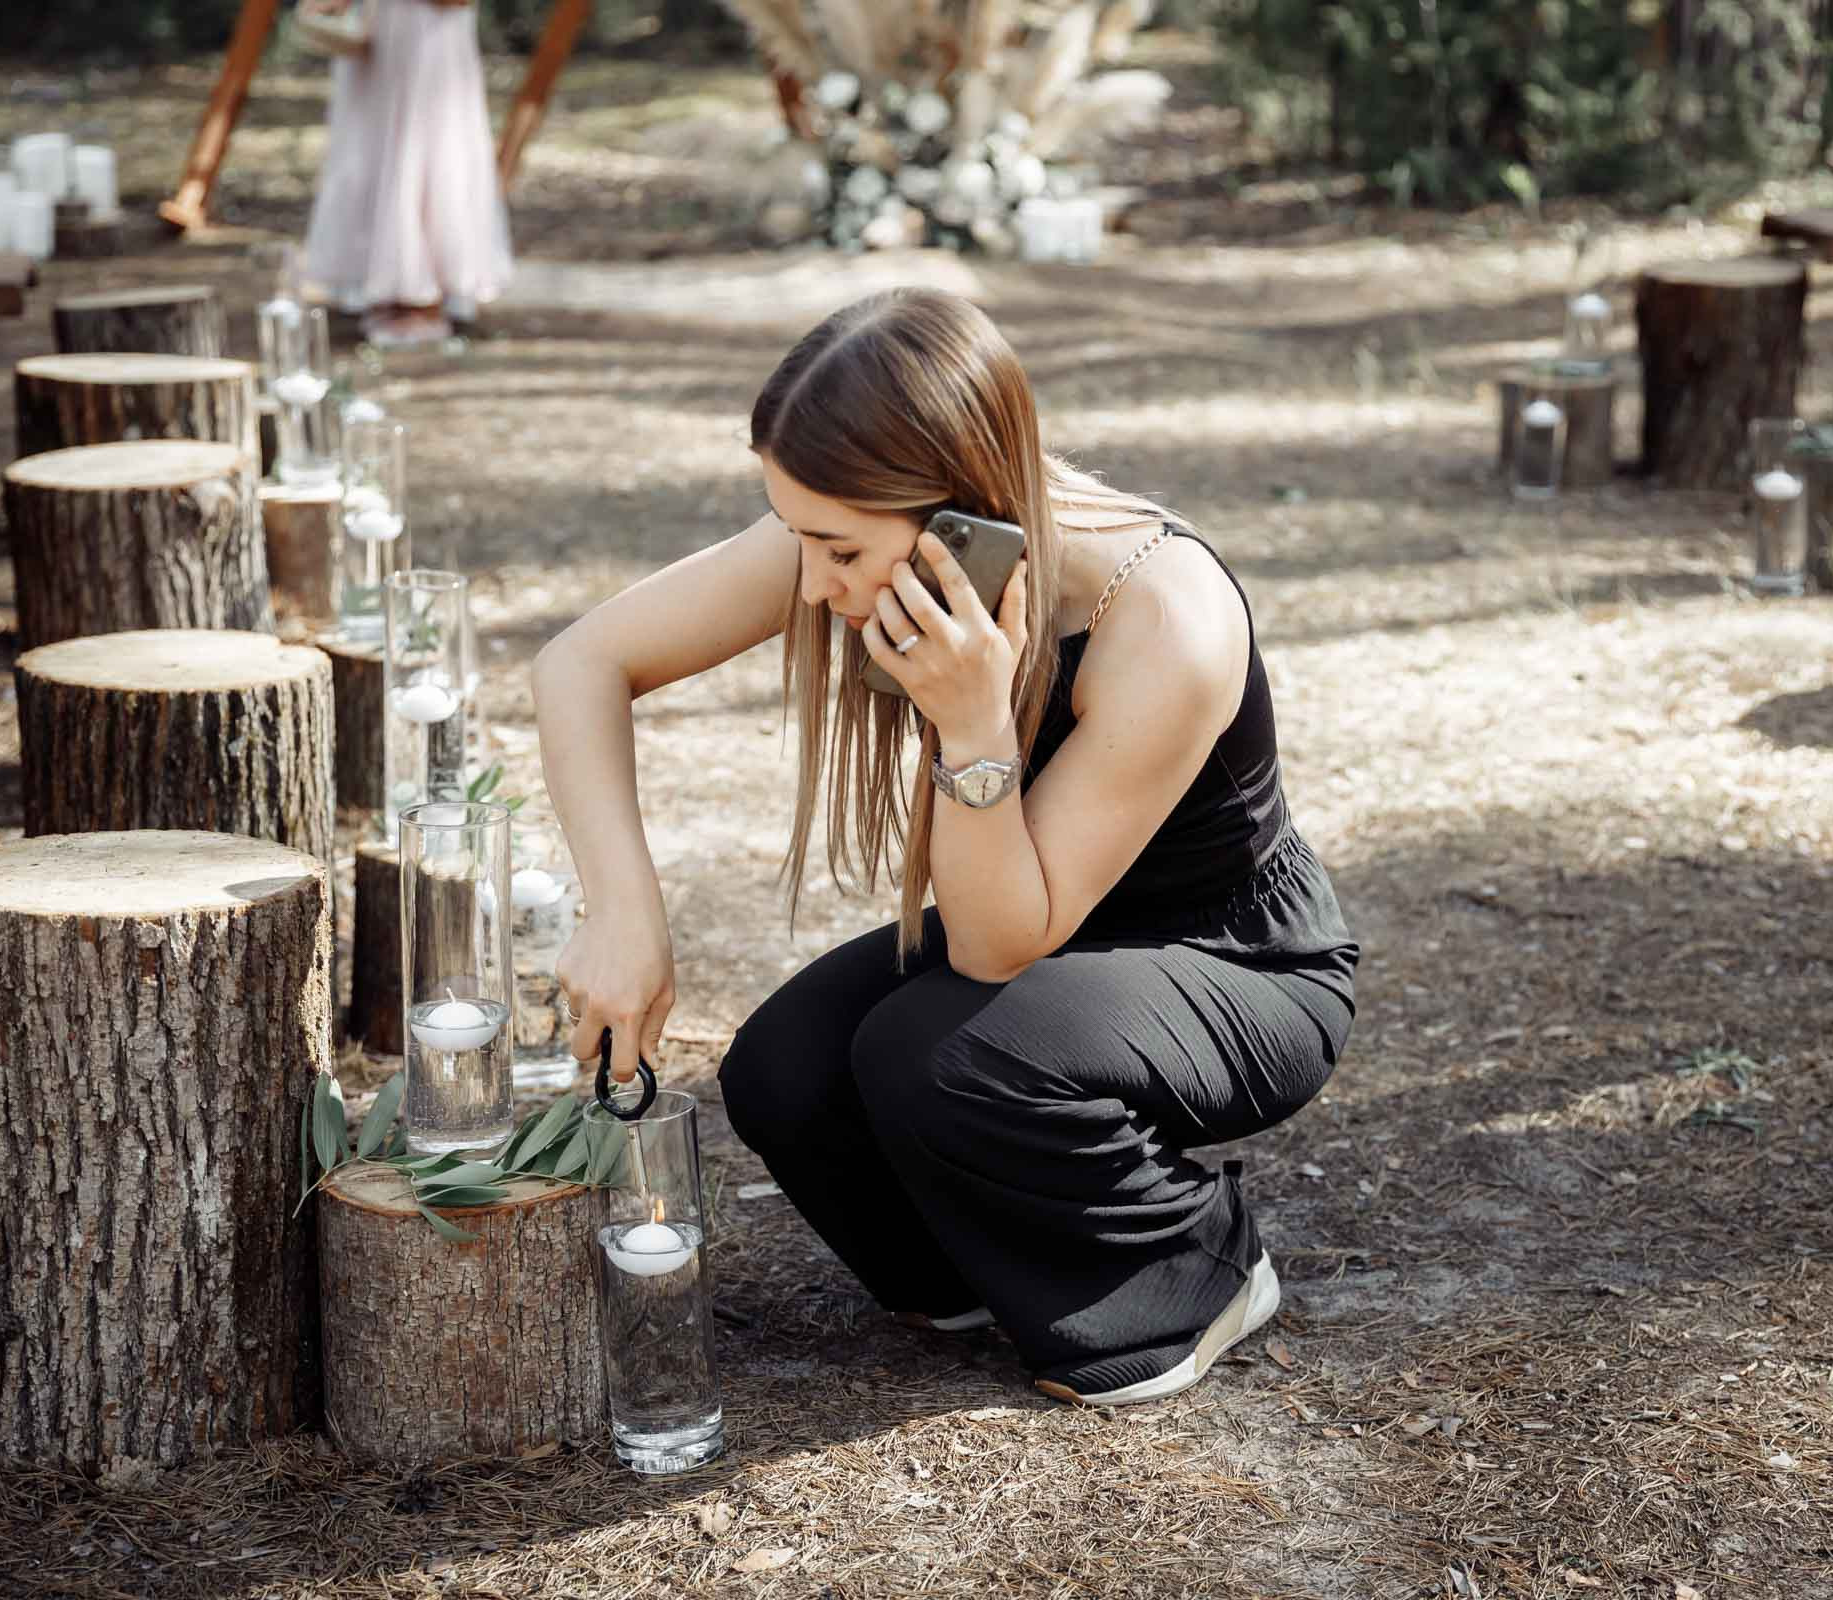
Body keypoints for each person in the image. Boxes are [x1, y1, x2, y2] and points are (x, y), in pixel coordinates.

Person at [534, 289, 1357, 1406]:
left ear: (957, 511)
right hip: (1042, 937)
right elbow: (582, 661)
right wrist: (622, 908)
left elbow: (996, 943)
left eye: (836, 551)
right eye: (802, 540)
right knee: (784, 1072)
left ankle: (1194, 1266)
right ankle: (991, 1258)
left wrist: (972, 725)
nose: (817, 587)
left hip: (1233, 966)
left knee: (937, 1055)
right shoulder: (865, 521)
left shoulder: (1164, 614)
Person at [300, 0, 514, 347]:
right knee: (370, 146)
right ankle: (381, 285)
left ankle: (421, 291)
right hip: (376, 30)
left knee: (428, 145)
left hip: (427, 32)